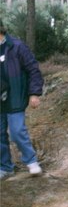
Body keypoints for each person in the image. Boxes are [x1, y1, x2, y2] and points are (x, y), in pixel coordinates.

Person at [0, 18, 44, 180]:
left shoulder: (17, 47)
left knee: (17, 131)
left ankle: (31, 161)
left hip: (15, 97)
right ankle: (5, 167)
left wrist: (34, 93)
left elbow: (33, 70)